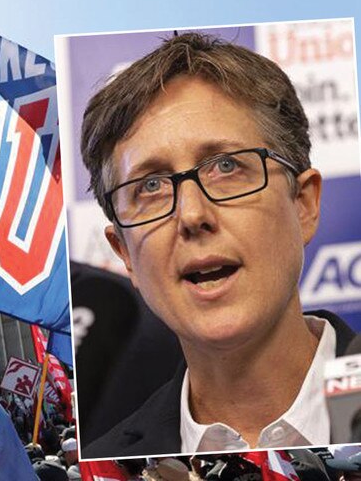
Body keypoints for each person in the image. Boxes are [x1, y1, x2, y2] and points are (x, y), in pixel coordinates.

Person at [79, 32, 357, 457]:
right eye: (150, 186)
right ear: (124, 254)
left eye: (226, 167)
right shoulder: (106, 464)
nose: (192, 215)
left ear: (303, 204)